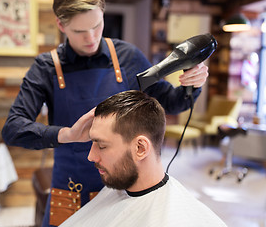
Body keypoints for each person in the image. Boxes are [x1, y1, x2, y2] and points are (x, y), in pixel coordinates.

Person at [1, 0, 209, 226]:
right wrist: (66, 134)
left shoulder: (128, 57)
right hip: (70, 188)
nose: (91, 38)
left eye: (97, 26)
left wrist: (192, 84)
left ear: (102, 14)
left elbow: (173, 102)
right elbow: (13, 129)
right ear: (61, 25)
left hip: (123, 190)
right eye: (80, 31)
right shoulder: (46, 68)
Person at [60, 90, 227, 227]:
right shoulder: (118, 186)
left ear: (140, 148)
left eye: (102, 145)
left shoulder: (174, 219)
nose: (91, 156)